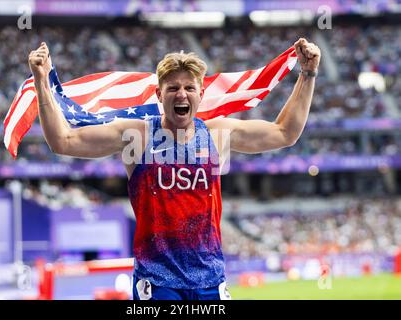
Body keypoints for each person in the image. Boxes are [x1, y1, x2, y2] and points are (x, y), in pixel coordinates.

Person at [28, 38, 321, 300]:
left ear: (201, 94)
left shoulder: (217, 135)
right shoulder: (137, 136)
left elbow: (285, 133)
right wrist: (41, 81)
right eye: (173, 88)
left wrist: (307, 74)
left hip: (210, 282)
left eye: (189, 87)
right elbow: (63, 141)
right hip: (157, 285)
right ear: (159, 95)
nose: (181, 94)